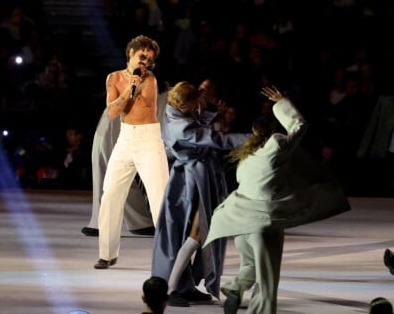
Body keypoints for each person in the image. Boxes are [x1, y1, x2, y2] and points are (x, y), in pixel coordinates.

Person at [204, 86, 350, 314]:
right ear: (272, 132)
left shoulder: (246, 157)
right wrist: (281, 102)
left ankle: (236, 286)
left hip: (236, 219)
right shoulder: (275, 148)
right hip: (262, 222)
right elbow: (300, 126)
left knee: (252, 264)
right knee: (267, 278)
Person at [151, 81, 250, 307]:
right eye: (196, 104)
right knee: (195, 231)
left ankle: (183, 286)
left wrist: (209, 107)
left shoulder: (176, 111)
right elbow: (214, 139)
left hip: (197, 177)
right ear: (185, 104)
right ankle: (172, 288)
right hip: (189, 181)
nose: (199, 107)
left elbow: (199, 124)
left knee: (198, 231)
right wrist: (251, 139)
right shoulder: (179, 126)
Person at [94, 35, 169, 269]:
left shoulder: (151, 80)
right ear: (131, 53)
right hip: (125, 138)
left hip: (149, 139)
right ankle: (107, 254)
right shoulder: (113, 78)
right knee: (110, 195)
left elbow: (142, 104)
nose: (145, 61)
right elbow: (114, 111)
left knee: (159, 199)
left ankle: (168, 256)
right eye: (143, 55)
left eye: (150, 58)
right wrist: (129, 87)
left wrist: (135, 84)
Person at [82, 82, 170, 237]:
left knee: (118, 176)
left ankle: (135, 222)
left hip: (121, 128)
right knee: (109, 175)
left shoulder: (159, 90)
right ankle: (121, 222)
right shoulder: (137, 82)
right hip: (115, 127)